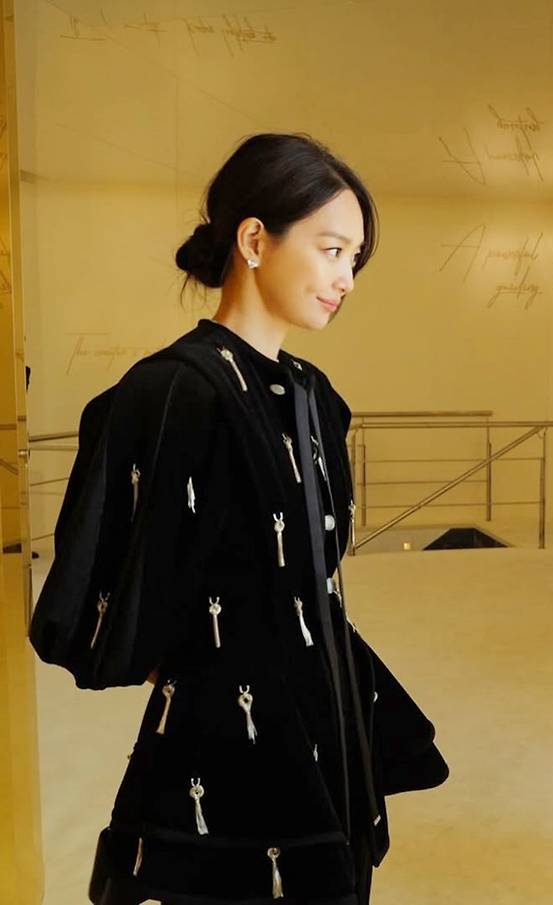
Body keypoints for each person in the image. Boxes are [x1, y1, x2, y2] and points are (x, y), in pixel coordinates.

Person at [58, 131, 449, 905]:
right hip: (227, 744)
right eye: (331, 250)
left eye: (354, 259)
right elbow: (101, 600)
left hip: (330, 716)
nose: (345, 279)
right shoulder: (168, 394)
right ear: (255, 241)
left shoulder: (317, 398)